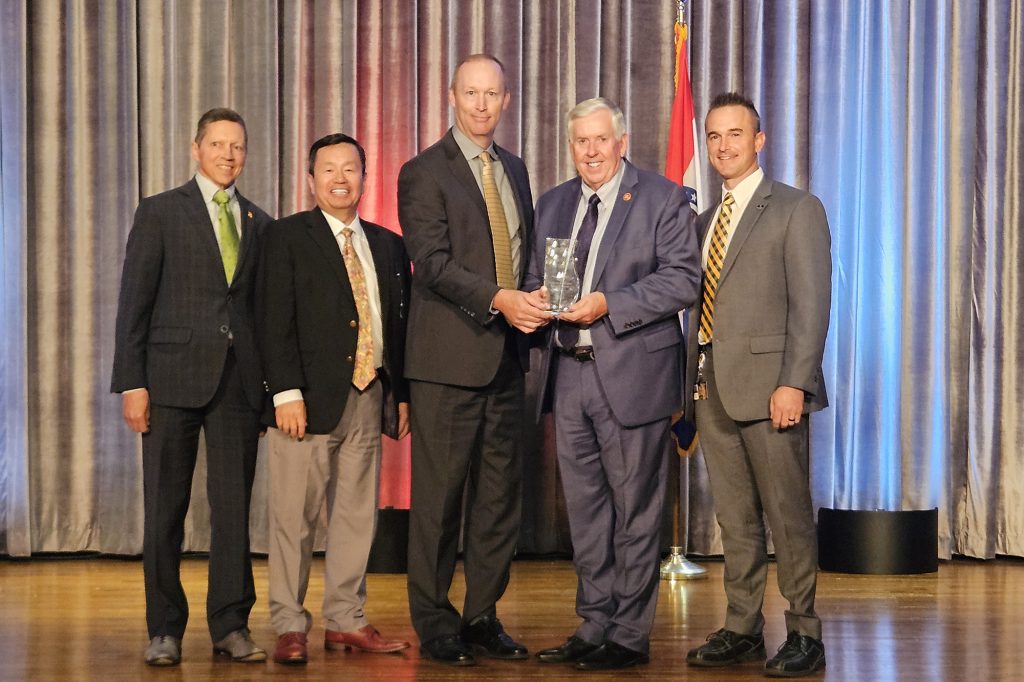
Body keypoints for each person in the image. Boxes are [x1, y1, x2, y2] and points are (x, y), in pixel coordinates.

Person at [523, 97, 701, 671]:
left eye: (602, 140)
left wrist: (609, 305)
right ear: (570, 145)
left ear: (621, 143)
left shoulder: (662, 197)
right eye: (581, 141)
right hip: (567, 375)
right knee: (587, 513)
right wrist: (532, 300)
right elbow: (536, 277)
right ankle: (593, 621)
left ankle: (628, 633)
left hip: (632, 375)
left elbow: (682, 279)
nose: (592, 151)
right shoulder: (551, 204)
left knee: (638, 512)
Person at [397, 53, 547, 667]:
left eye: (493, 95)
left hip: (507, 360)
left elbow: (525, 247)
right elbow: (429, 264)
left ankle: (482, 614)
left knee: (497, 501)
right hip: (446, 363)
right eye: (471, 94)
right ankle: (435, 622)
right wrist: (499, 300)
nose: (482, 105)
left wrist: (535, 300)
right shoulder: (422, 171)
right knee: (438, 502)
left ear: (506, 100)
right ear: (451, 98)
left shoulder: (514, 168)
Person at [110, 108, 271, 666]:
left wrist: (272, 391)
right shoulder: (159, 212)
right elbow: (134, 303)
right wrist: (132, 383)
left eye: (239, 146)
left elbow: (261, 313)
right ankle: (164, 629)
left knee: (233, 510)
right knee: (165, 510)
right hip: (170, 378)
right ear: (195, 148)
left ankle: (230, 625)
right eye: (219, 144)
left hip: (238, 384)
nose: (229, 155)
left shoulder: (258, 220)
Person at [684, 92, 831, 678]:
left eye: (735, 135)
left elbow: (812, 307)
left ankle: (804, 632)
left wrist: (794, 382)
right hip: (712, 390)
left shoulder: (796, 208)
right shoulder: (702, 221)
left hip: (773, 391)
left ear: (759, 140)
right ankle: (743, 625)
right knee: (735, 518)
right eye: (715, 136)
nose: (723, 146)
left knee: (788, 514)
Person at [255, 133, 412, 665]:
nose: (340, 179)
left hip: (368, 396)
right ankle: (290, 624)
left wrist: (402, 393)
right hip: (304, 403)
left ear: (365, 178)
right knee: (293, 520)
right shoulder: (285, 237)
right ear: (311, 178)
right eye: (328, 170)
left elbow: (397, 325)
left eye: (351, 169)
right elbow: (271, 321)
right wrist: (285, 393)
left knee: (355, 518)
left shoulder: (388, 244)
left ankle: (346, 619)